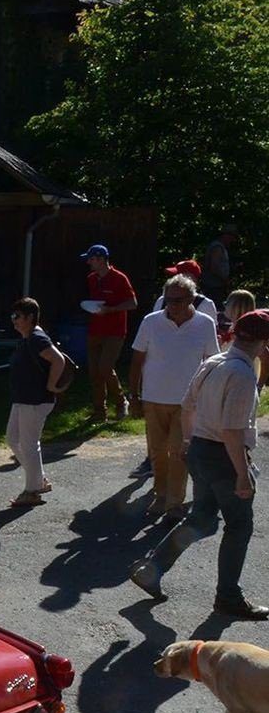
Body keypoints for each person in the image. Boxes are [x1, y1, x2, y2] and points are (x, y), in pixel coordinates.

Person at [129, 309, 269, 619]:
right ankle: (228, 597)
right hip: (223, 456)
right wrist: (243, 476)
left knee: (202, 516)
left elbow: (187, 404)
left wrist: (189, 441)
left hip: (201, 450)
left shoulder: (213, 363)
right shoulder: (243, 375)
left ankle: (151, 568)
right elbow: (232, 432)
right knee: (239, 525)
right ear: (263, 343)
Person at [129, 274, 222, 518]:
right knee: (158, 452)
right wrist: (134, 395)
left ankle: (174, 504)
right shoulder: (151, 322)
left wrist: (210, 397)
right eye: (169, 300)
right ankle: (160, 496)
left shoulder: (204, 324)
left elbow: (212, 362)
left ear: (192, 298)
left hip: (187, 402)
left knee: (180, 452)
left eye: (178, 300)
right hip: (153, 398)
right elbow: (137, 359)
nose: (172, 305)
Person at [6, 298, 66, 508]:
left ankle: (32, 491)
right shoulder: (26, 337)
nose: (13, 321)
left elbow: (58, 360)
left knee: (29, 444)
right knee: (13, 439)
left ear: (30, 317)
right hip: (22, 399)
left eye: (17, 317)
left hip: (35, 400)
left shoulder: (37, 338)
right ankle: (38, 479)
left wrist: (51, 385)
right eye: (12, 316)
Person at [81, 243, 138, 420]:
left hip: (115, 331)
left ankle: (121, 402)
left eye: (91, 259)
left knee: (105, 368)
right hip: (95, 329)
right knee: (94, 372)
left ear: (100, 259)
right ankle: (99, 411)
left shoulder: (119, 278)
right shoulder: (91, 279)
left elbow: (132, 303)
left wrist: (111, 310)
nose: (89, 262)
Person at [202, 223, 238, 303]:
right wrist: (225, 280)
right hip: (213, 287)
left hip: (217, 286)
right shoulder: (217, 247)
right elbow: (214, 267)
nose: (232, 239)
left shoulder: (220, 247)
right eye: (231, 236)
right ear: (225, 235)